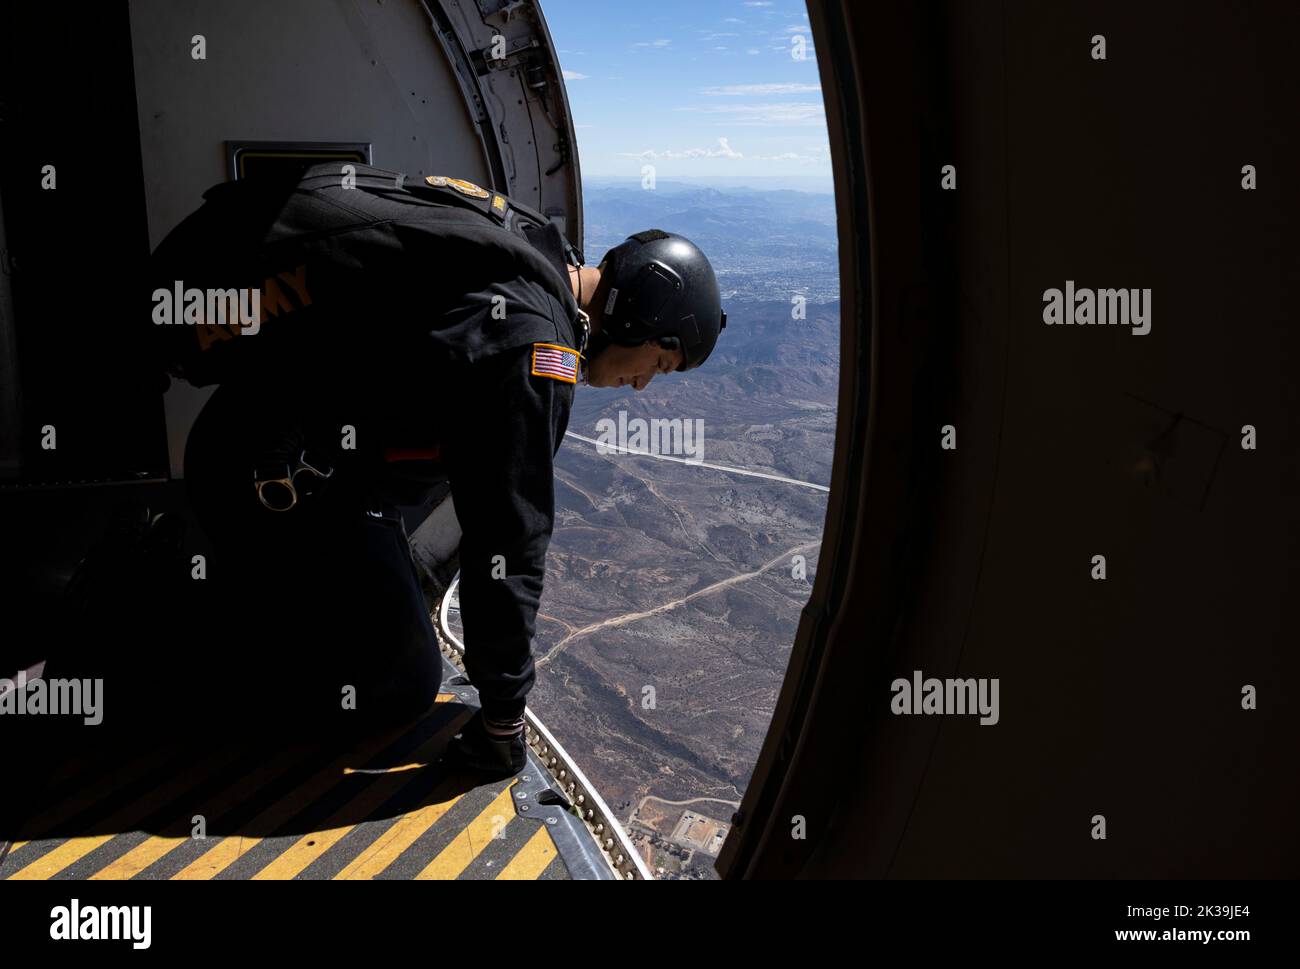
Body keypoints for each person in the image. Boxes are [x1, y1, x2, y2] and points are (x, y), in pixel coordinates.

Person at [143, 163, 726, 775]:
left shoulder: (529, 246)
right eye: (659, 363)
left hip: (259, 443)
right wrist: (503, 718)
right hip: (269, 482)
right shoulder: (535, 350)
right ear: (638, 314)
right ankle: (179, 675)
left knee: (382, 610)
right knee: (397, 685)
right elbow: (508, 544)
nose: (639, 385)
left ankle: (209, 598)